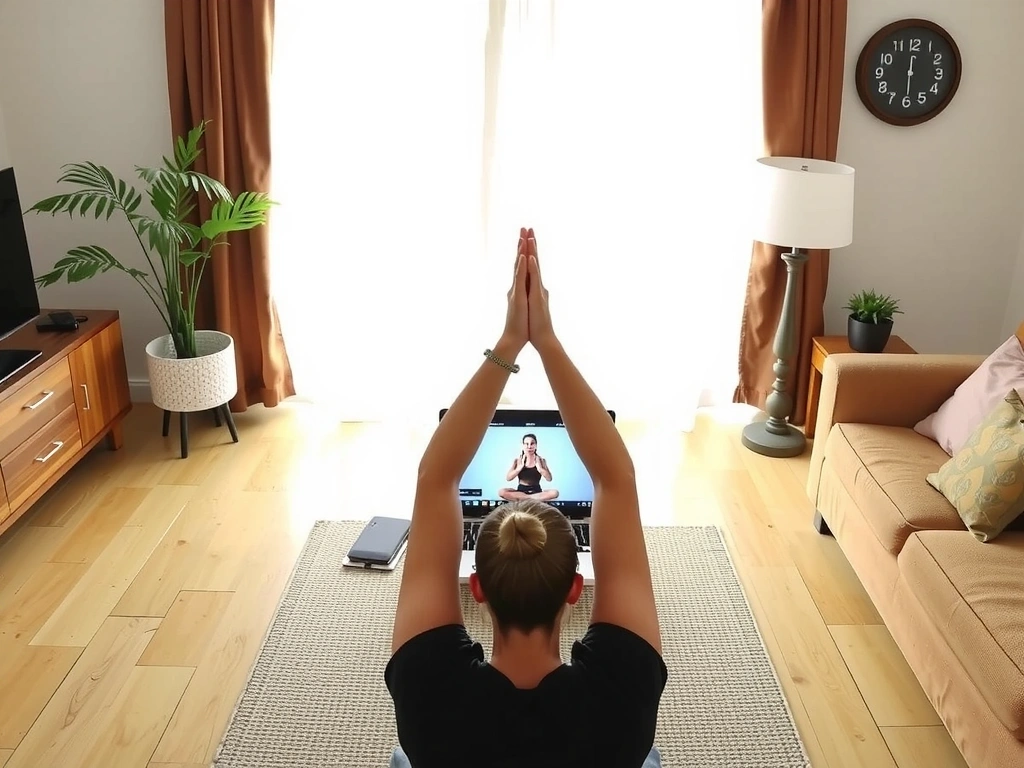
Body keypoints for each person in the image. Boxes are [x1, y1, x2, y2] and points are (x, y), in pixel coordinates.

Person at [385, 228, 666, 768]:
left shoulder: (428, 686)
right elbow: (618, 478)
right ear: (575, 590)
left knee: (405, 755)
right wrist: (549, 343)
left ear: (478, 587)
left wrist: (510, 343)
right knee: (645, 756)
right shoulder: (624, 687)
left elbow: (434, 478)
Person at [499, 432, 559, 501]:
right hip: (521, 492)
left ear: (536, 445)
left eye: (532, 443)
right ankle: (531, 499)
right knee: (501, 492)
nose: (529, 446)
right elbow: (508, 478)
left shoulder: (541, 460)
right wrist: (518, 469)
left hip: (536, 492)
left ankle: (526, 499)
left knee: (555, 493)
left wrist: (540, 468)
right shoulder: (517, 461)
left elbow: (549, 479)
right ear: (523, 446)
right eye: (526, 444)